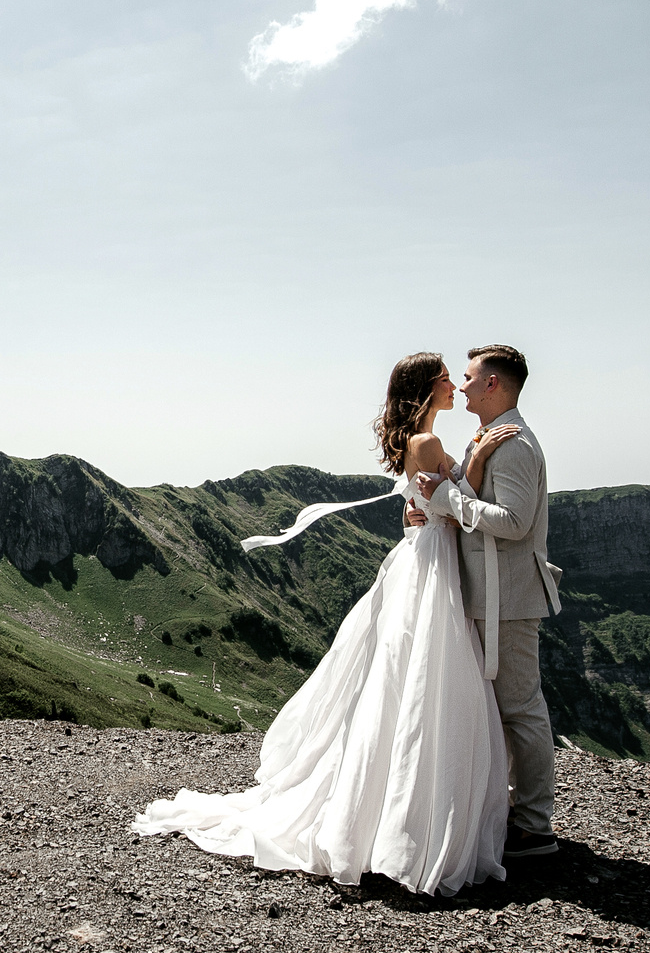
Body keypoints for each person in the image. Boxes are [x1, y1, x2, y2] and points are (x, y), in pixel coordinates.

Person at [130, 352, 518, 895]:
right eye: (447, 379)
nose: (455, 385)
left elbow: (426, 500)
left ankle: (393, 810)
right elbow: (455, 505)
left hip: (424, 555)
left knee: (404, 679)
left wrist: (436, 496)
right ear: (428, 388)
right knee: (425, 679)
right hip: (433, 562)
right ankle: (414, 820)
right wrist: (479, 462)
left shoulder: (420, 442)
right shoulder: (428, 442)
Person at [407, 344, 564, 860]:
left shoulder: (513, 445)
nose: (463, 385)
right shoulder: (488, 438)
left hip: (509, 597)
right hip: (486, 594)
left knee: (521, 708)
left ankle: (535, 826)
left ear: (493, 384)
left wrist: (446, 499)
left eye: (470, 377)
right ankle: (508, 812)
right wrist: (429, 507)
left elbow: (514, 523)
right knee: (497, 710)